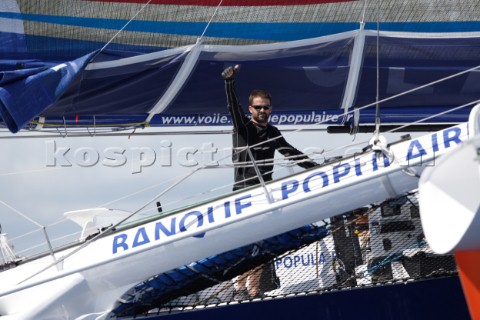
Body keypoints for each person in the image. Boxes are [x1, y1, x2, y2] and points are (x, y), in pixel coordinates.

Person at [222, 65, 318, 299]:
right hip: (244, 194)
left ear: (271, 109)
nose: (262, 110)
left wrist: (321, 169)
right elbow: (232, 108)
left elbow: (292, 153)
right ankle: (239, 288)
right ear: (251, 108)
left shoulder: (273, 132)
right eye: (258, 107)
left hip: (266, 194)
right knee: (248, 243)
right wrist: (229, 83)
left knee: (262, 245)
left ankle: (252, 291)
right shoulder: (243, 128)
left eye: (265, 107)